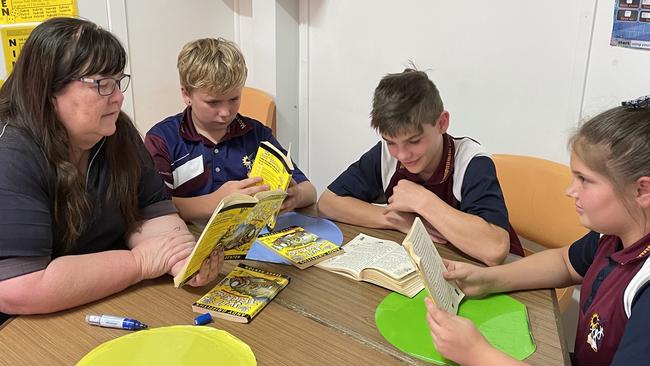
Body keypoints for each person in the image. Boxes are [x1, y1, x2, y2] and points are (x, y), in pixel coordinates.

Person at [0, 17, 222, 323]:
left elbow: (152, 212)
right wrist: (139, 262)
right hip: (26, 325)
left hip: (103, 296)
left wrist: (183, 257)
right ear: (49, 91)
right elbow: (19, 288)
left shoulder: (116, 133)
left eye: (118, 82)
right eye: (102, 84)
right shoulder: (11, 151)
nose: (118, 97)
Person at [425, 99, 650, 366]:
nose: (571, 190)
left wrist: (478, 354)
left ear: (642, 191)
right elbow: (566, 263)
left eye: (585, 180)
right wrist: (488, 278)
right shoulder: (613, 235)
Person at [318, 69, 523, 266]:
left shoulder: (471, 162)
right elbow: (328, 203)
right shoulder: (385, 155)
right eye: (390, 142)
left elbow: (494, 250)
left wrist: (422, 201)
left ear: (442, 123)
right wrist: (398, 220)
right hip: (438, 266)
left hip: (504, 278)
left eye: (414, 141)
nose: (403, 155)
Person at [145, 38, 316, 223]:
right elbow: (154, 208)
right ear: (186, 94)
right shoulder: (162, 139)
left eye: (234, 99)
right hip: (187, 241)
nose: (226, 113)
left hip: (251, 238)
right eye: (213, 102)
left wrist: (296, 195)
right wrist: (215, 203)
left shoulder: (256, 134)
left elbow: (310, 190)